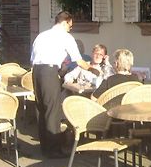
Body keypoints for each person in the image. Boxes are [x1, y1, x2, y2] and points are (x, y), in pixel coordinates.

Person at [30, 11, 100, 158]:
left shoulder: (42, 35)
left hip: (36, 71)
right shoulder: (65, 37)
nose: (71, 28)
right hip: (49, 71)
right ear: (64, 22)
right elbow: (79, 60)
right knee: (52, 109)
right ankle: (54, 150)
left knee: (41, 107)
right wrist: (93, 69)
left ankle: (45, 146)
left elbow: (33, 57)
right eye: (70, 25)